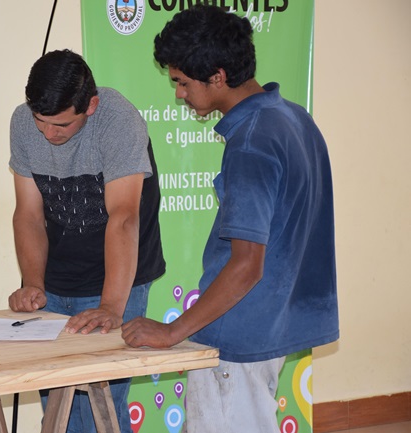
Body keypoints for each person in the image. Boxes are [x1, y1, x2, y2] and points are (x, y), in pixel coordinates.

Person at [121, 5, 339, 433]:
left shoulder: (251, 142)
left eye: (182, 82)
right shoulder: (294, 118)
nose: (179, 94)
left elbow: (246, 265)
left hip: (236, 338)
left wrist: (171, 332)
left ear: (217, 76)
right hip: (270, 327)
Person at [7, 49, 165, 433]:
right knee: (57, 409)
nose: (48, 134)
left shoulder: (118, 121)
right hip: (57, 276)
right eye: (41, 121)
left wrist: (110, 306)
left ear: (90, 106)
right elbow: (28, 214)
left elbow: (124, 217)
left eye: (61, 124)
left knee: (101, 410)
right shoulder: (23, 123)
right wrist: (34, 285)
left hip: (117, 278)